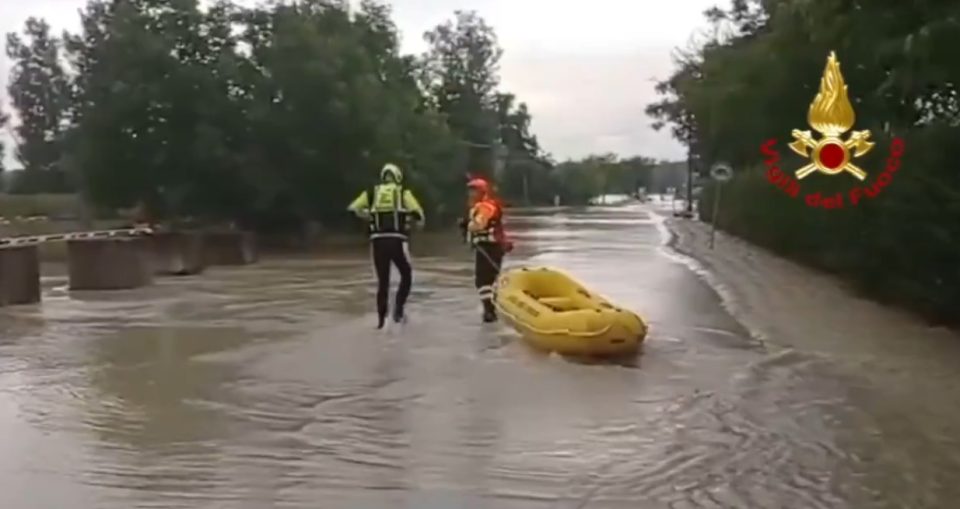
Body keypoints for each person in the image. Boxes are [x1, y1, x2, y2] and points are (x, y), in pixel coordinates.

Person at [347, 163, 425, 329]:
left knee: (383, 282)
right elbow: (418, 213)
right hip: (397, 240)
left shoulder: (372, 193)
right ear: (397, 177)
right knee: (406, 274)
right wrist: (414, 222)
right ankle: (398, 311)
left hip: (377, 242)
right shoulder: (403, 192)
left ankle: (381, 322)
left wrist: (368, 216)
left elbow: (353, 208)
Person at [462, 177, 512, 323]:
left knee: (483, 280)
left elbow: (479, 224)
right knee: (489, 280)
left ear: (481, 191)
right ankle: (492, 309)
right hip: (489, 247)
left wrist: (468, 225)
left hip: (489, 247)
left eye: (474, 190)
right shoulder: (481, 206)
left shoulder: (485, 206)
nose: (470, 194)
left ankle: (489, 311)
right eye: (470, 191)